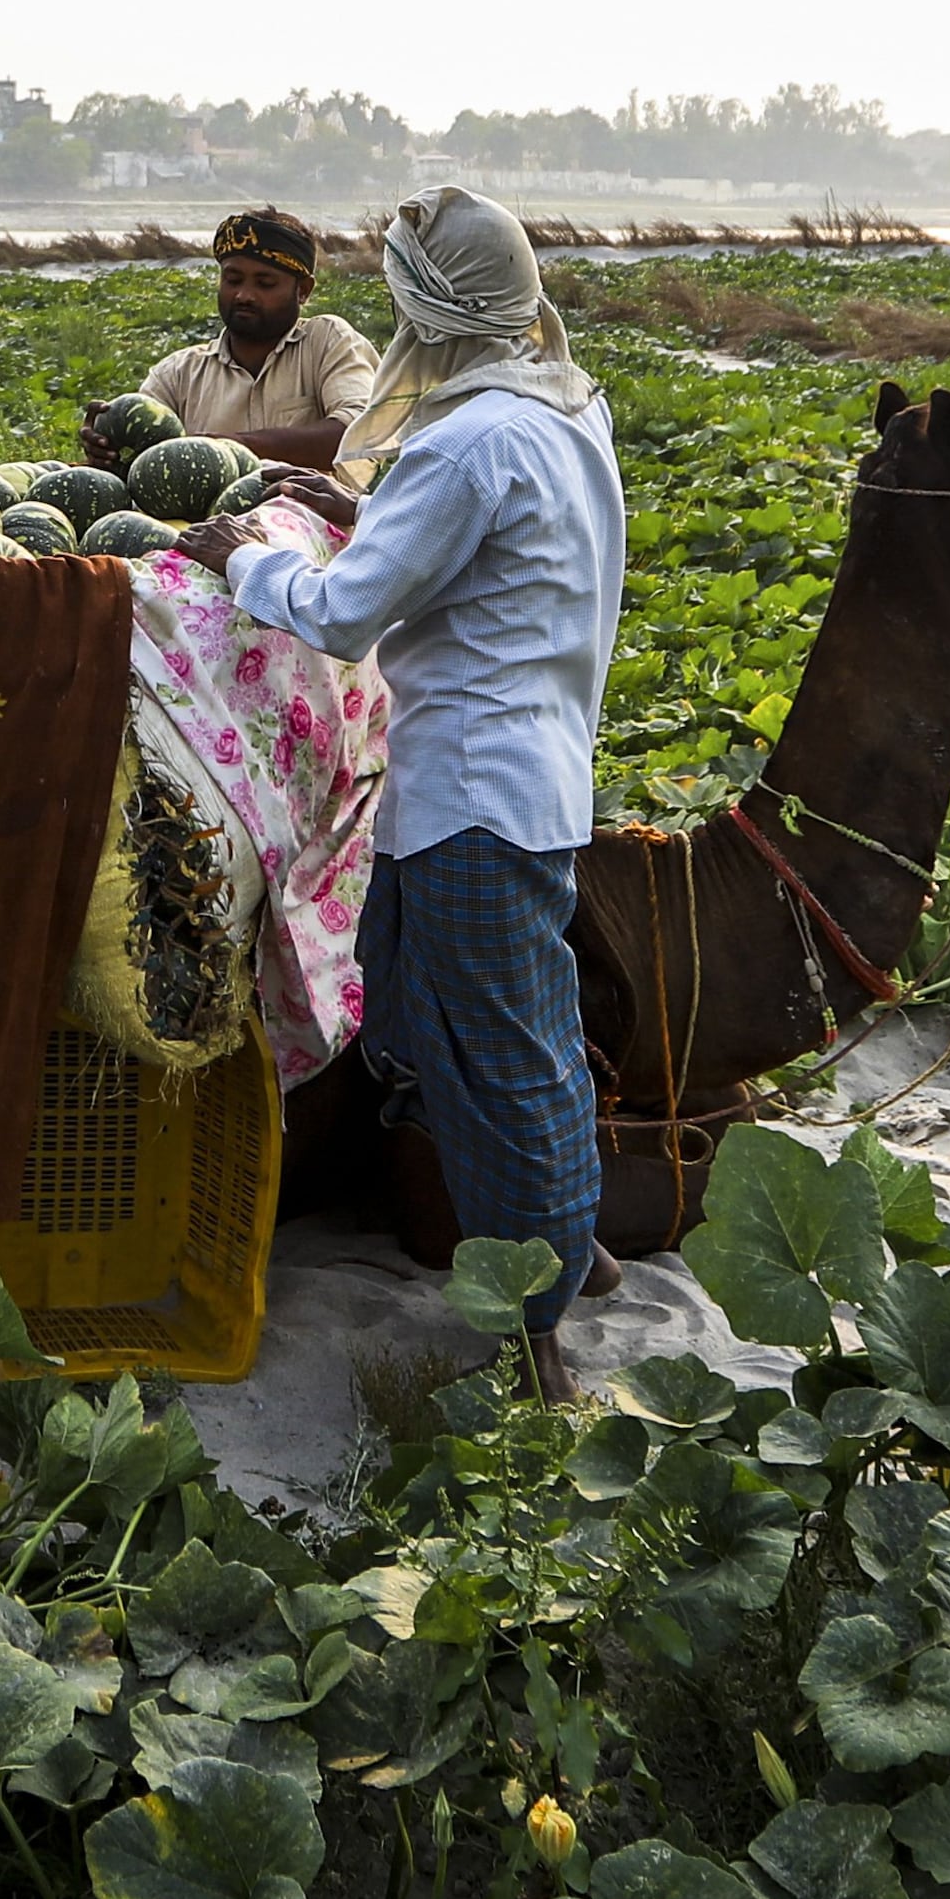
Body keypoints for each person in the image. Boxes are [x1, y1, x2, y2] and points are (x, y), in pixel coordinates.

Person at [174, 186, 621, 1400]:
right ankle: (582, 1254)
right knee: (465, 1022)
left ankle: (539, 1330)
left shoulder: (468, 437)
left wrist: (245, 555)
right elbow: (476, 548)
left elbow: (342, 609)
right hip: (525, 771)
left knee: (501, 1057)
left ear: (430, 304)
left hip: (472, 794)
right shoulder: (558, 404)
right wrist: (360, 510)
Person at [113, 206, 383, 469]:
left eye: (264, 284)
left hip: (310, 509)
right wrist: (110, 441)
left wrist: (231, 447)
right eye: (233, 280)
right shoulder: (176, 375)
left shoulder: (327, 342)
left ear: (303, 290)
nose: (244, 295)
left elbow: (359, 433)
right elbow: (140, 451)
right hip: (206, 516)